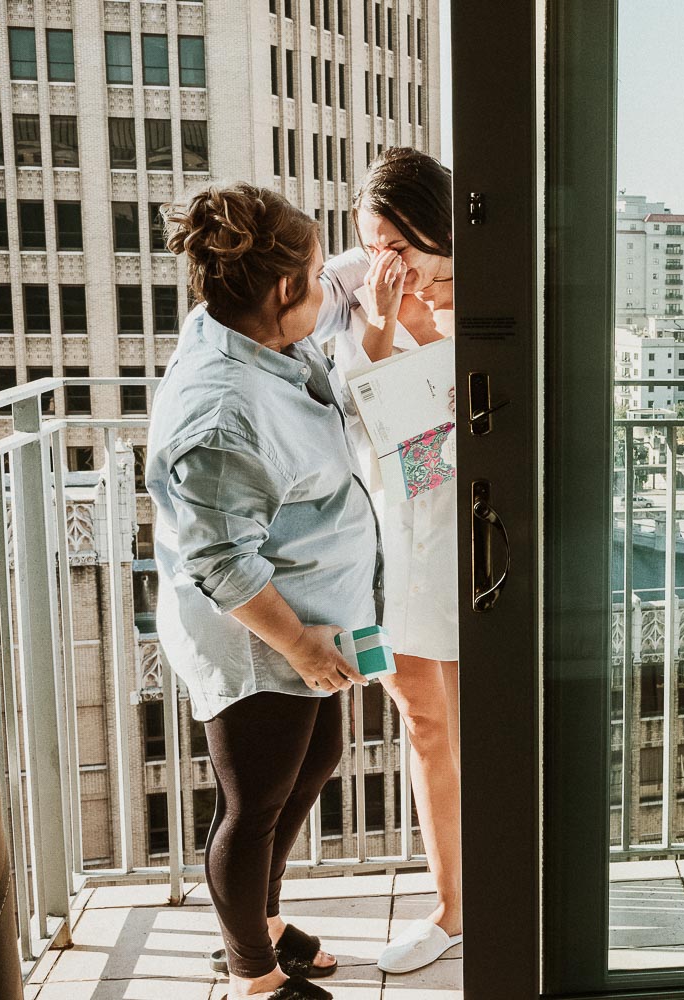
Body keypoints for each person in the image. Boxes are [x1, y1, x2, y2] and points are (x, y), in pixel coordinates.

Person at [147, 184, 380, 1000]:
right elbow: (224, 565)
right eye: (316, 277)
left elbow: (339, 278)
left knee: (315, 758)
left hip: (313, 611)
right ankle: (251, 973)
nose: (329, 288)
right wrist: (303, 645)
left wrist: (392, 256)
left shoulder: (242, 319)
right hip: (263, 632)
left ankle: (264, 924)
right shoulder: (222, 412)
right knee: (252, 805)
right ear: (284, 291)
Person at [316, 147, 462, 975]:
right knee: (425, 721)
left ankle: (500, 887)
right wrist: (375, 324)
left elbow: (455, 443)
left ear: (438, 232)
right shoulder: (363, 296)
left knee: (483, 724)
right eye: (372, 244)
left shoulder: (487, 293)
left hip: (473, 539)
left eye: (400, 245)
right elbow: (379, 437)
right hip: (392, 542)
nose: (386, 263)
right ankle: (450, 910)